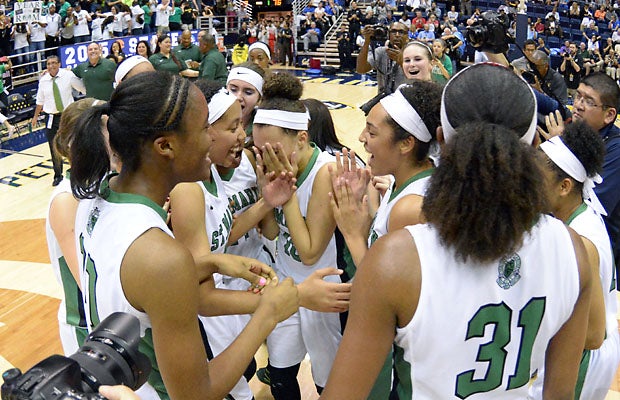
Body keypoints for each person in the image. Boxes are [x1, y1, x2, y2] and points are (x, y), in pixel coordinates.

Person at [321, 63, 592, 399]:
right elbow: (561, 394)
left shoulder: (397, 258)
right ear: (536, 142)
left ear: (440, 142)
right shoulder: (573, 249)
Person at [69, 71, 298, 400]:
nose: (210, 139)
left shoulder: (96, 200)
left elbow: (135, 292)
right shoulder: (161, 256)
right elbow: (195, 395)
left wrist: (210, 263)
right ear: (165, 146)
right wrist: (269, 314)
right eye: (205, 128)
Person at [252, 72, 351, 399]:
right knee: (279, 374)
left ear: (302, 138)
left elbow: (309, 251)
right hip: (286, 283)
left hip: (322, 287)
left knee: (328, 381)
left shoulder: (327, 172)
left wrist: (287, 193)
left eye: (274, 150)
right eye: (260, 150)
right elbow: (271, 232)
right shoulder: (268, 165)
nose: (268, 158)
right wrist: (266, 198)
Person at [531, 122, 620, 400]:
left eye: (538, 178)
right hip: (589, 346)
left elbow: (592, 335)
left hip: (586, 355)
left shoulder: (579, 239)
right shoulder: (576, 214)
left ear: (564, 186)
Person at [543, 72, 620, 291]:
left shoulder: (616, 149)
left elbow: (590, 201)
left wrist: (562, 150)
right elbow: (539, 100)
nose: (578, 105)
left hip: (600, 253)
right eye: (577, 96)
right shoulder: (575, 130)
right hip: (570, 241)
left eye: (588, 101)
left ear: (609, 115)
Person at [46, 98, 101, 356]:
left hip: (109, 319)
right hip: (85, 325)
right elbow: (86, 280)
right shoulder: (67, 200)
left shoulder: (105, 183)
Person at [31, 56, 86, 187]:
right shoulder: (43, 81)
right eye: (49, 64)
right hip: (51, 117)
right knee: (54, 146)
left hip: (68, 115)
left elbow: (83, 88)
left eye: (54, 63)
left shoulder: (67, 75)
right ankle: (58, 175)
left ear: (59, 64)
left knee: (73, 144)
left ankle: (77, 171)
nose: (51, 66)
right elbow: (40, 101)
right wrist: (35, 117)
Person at [356, 22, 408, 95]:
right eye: (393, 31)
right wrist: (367, 41)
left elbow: (420, 80)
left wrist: (402, 62)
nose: (397, 35)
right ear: (388, 34)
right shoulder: (381, 52)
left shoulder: (414, 53)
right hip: (384, 99)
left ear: (407, 36)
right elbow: (361, 69)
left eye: (401, 32)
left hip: (407, 99)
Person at [226, 61, 266, 139]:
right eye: (233, 90)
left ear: (259, 99)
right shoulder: (212, 123)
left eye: (248, 92)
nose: (238, 97)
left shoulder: (264, 130)